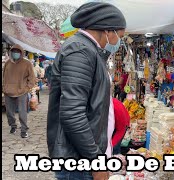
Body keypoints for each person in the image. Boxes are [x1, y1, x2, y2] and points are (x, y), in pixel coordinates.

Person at [46, 2, 126, 180]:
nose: (118, 41)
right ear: (107, 30)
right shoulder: (79, 52)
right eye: (119, 36)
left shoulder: (89, 51)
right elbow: (72, 114)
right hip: (78, 161)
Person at [2, 44, 36, 138]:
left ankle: (24, 130)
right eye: (14, 51)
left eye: (18, 52)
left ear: (21, 53)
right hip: (8, 91)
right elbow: (4, 76)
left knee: (22, 112)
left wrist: (27, 88)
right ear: (11, 52)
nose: (15, 53)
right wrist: (4, 87)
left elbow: (32, 78)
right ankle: (13, 126)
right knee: (9, 112)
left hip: (22, 91)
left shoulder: (27, 63)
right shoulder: (8, 63)